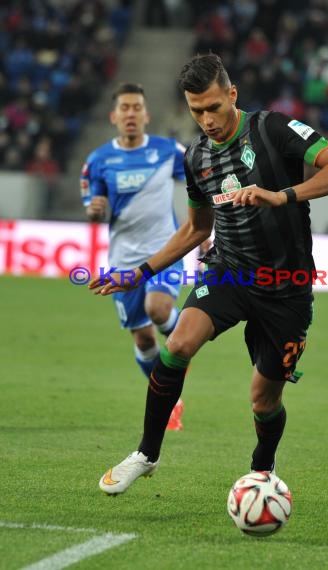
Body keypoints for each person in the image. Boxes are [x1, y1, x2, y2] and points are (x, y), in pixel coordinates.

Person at [89, 54, 328, 495]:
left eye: (214, 107)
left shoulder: (273, 129)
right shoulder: (196, 156)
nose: (207, 120)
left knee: (263, 399)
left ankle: (262, 471)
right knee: (177, 344)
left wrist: (281, 195)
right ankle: (147, 453)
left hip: (286, 288)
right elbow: (196, 228)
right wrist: (138, 274)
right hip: (228, 273)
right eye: (197, 111)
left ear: (232, 94)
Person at [81, 82, 187, 430]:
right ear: (114, 116)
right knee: (143, 338)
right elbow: (93, 209)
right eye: (124, 107)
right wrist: (96, 209)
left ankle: (185, 335)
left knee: (157, 310)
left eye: (136, 107)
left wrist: (202, 231)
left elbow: (201, 180)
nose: (130, 113)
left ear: (146, 115)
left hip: (165, 250)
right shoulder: (98, 161)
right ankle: (168, 397)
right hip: (123, 261)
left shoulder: (168, 150)